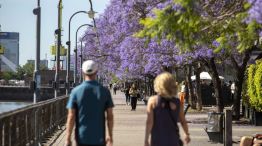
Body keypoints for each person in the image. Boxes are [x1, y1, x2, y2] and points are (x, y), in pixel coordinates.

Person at [65, 60, 114, 146]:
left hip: (81, 136)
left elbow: (71, 116)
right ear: (96, 72)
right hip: (99, 137)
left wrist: (68, 138)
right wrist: (110, 136)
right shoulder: (104, 91)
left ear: (83, 72)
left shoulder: (75, 92)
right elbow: (110, 116)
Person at [144, 72, 190, 146]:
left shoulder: (153, 101)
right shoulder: (177, 102)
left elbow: (149, 122)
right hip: (173, 139)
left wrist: (146, 139)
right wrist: (186, 134)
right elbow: (183, 121)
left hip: (157, 139)